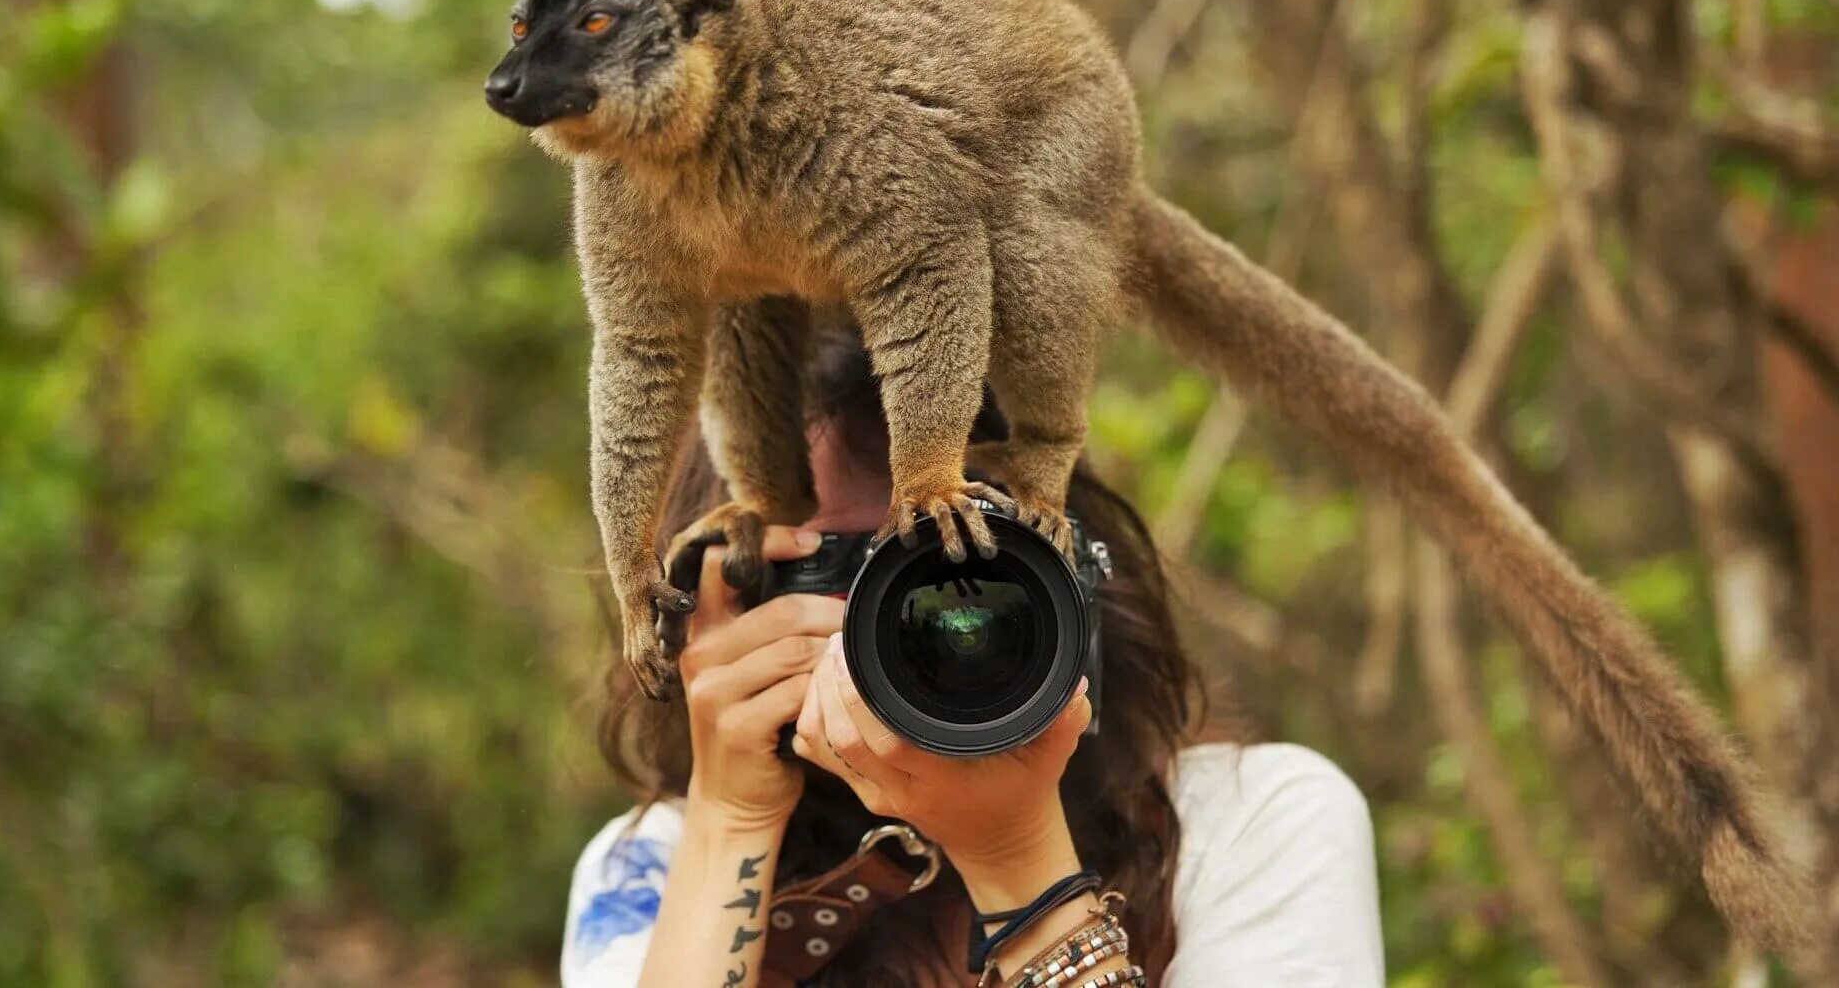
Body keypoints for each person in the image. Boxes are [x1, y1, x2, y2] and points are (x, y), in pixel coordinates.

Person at [561, 331, 1383, 986]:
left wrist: (1018, 857)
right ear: (719, 601)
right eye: (848, 569)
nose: (933, 617)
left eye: (970, 557)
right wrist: (732, 819)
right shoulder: (654, 867)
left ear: (1071, 564)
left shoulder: (1251, 822)